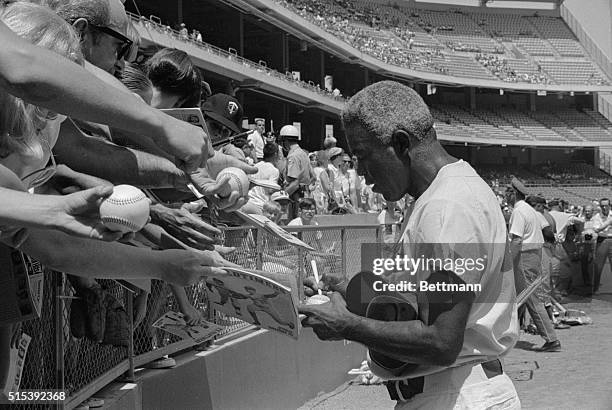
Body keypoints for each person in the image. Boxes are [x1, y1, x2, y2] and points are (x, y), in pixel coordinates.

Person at [299, 81, 520, 409]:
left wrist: (347, 325)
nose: (360, 173)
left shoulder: (448, 206)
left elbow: (441, 341)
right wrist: (353, 294)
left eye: (363, 157)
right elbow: (422, 306)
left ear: (401, 143)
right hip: (455, 390)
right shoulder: (448, 192)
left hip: (455, 394)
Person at [0, 6, 209, 173]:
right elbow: (23, 67)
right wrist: (163, 125)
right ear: (80, 33)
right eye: (119, 47)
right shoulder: (40, 61)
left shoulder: (63, 76)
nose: (122, 64)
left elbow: (83, 146)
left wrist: (185, 172)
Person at [507, 179, 561, 351]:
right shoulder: (529, 210)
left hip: (524, 258)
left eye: (508, 192)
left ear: (513, 193)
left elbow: (516, 240)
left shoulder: (518, 212)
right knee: (521, 299)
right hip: (533, 256)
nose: (506, 196)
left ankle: (551, 339)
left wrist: (506, 262)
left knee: (531, 299)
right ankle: (509, 334)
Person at [280, 125, 311, 219]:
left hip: (296, 197)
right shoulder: (303, 154)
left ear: (285, 141)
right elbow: (313, 176)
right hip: (306, 194)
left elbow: (294, 184)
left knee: (294, 227)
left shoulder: (293, 156)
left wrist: (281, 197)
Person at [242, 142, 280, 215]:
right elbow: (271, 189)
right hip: (260, 205)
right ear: (275, 154)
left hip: (247, 203)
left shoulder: (255, 166)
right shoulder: (274, 170)